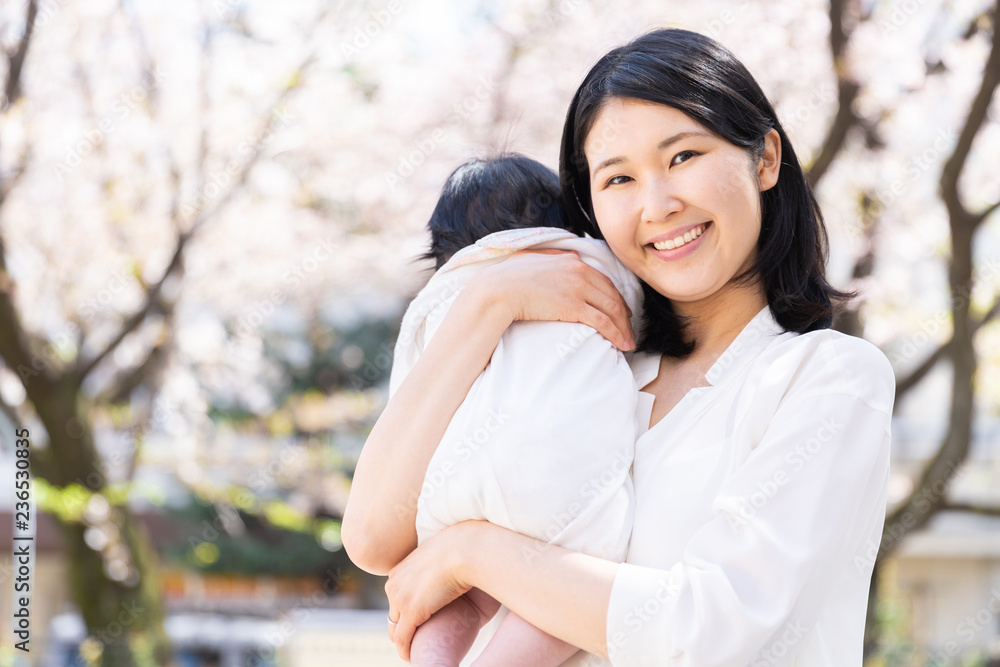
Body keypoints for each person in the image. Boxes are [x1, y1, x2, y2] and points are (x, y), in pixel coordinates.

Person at [343, 28, 894, 667]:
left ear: (765, 158)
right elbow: (373, 537)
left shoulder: (826, 379)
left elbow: (712, 628)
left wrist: (472, 550)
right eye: (618, 179)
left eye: (684, 156)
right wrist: (486, 302)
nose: (657, 205)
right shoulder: (579, 368)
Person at [373, 153, 644, 666]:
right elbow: (638, 319)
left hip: (454, 488)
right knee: (564, 593)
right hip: (557, 481)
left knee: (464, 596)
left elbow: (409, 388)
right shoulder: (588, 264)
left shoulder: (446, 297)